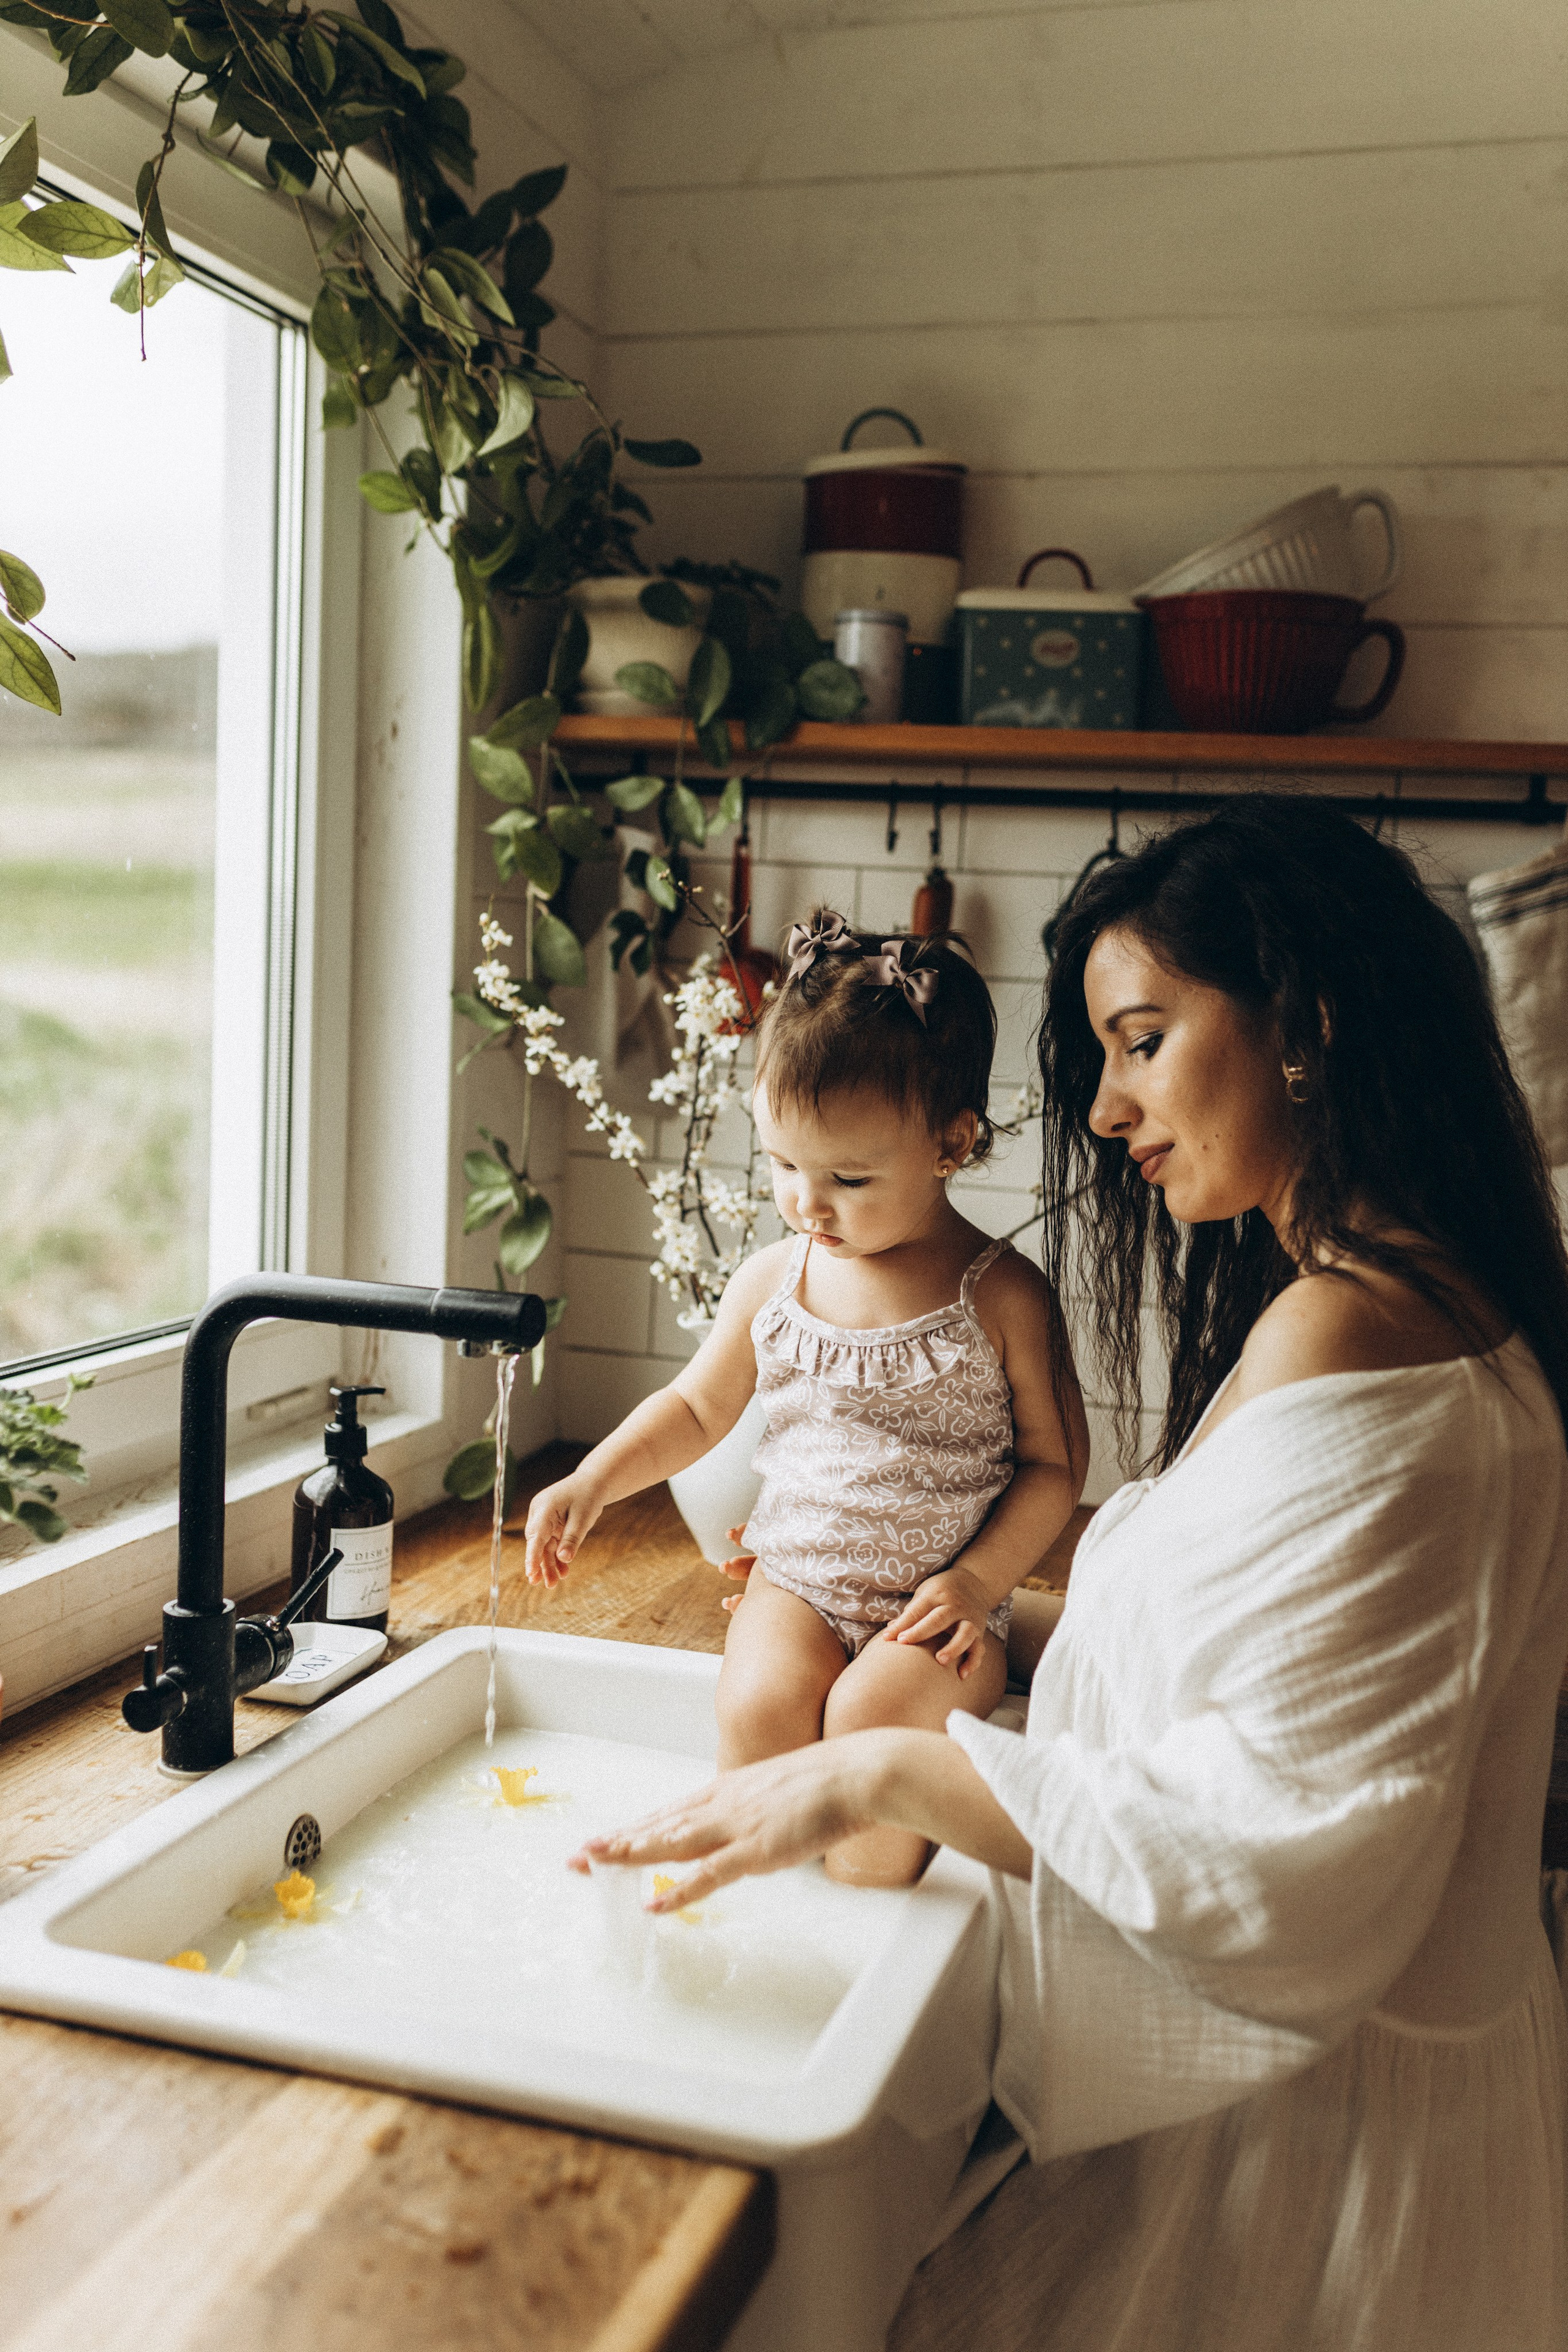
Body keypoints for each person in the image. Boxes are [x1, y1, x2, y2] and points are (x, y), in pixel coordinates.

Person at [571, 799, 1568, 2351]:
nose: (1104, 1111)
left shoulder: (1359, 1332)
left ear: (1304, 1026)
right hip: (1313, 2095)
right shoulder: (1384, 1297)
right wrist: (967, 1612)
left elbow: (1285, 1854)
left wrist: (867, 1776)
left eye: (1142, 1041)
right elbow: (1256, 1646)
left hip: (1323, 2157)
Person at [526, 910, 1087, 1887]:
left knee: (873, 1725)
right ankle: (760, 1913)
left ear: (952, 1142)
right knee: (758, 1708)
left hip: (936, 1612)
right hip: (797, 1586)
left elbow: (1054, 1467)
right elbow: (695, 1411)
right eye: (783, 1164)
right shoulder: (773, 1281)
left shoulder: (999, 1296)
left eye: (849, 1178)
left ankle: (874, 1906)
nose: (806, 1202)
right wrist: (593, 1481)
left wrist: (976, 1585)